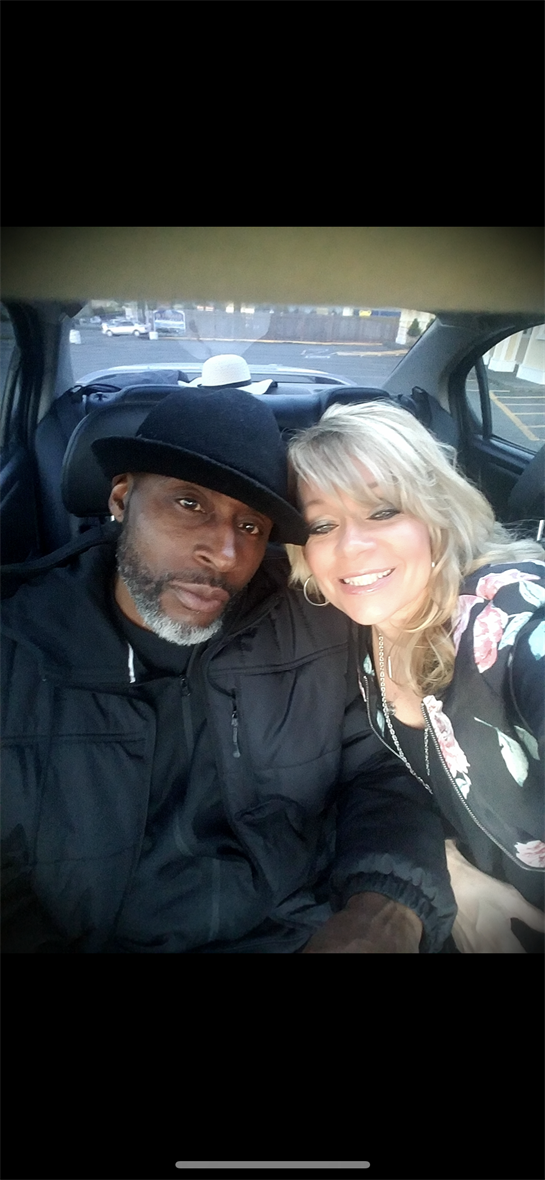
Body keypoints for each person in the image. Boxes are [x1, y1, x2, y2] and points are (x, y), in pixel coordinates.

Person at [0, 385, 456, 954]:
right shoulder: (19, 648)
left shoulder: (316, 623)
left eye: (251, 526)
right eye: (189, 504)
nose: (223, 553)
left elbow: (382, 772)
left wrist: (386, 908)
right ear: (120, 498)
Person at [286, 399, 545, 954]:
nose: (351, 546)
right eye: (323, 523)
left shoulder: (510, 616)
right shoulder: (358, 624)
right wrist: (447, 865)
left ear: (436, 512)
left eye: (382, 512)